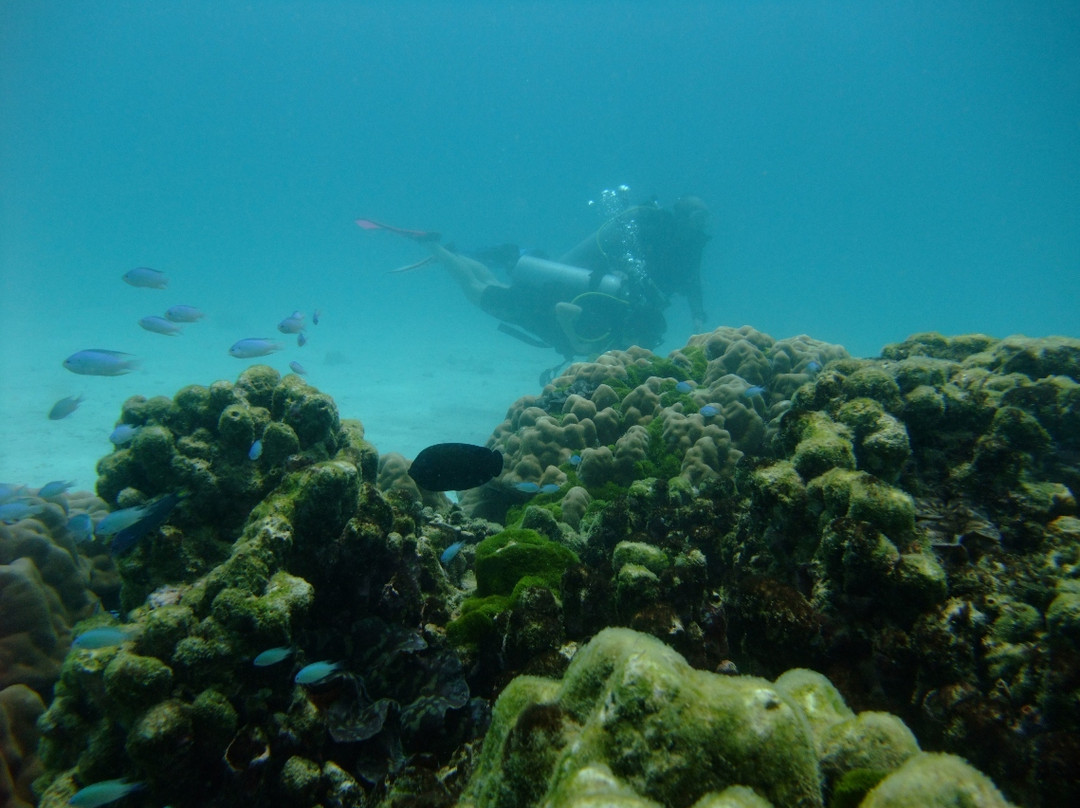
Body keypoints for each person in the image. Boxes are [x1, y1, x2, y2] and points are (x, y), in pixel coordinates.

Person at [373, 195, 712, 366]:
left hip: (536, 305)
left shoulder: (618, 321)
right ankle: (433, 246)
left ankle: (449, 253)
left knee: (488, 284)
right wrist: (577, 345)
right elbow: (566, 310)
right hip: (535, 310)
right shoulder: (609, 328)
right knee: (476, 291)